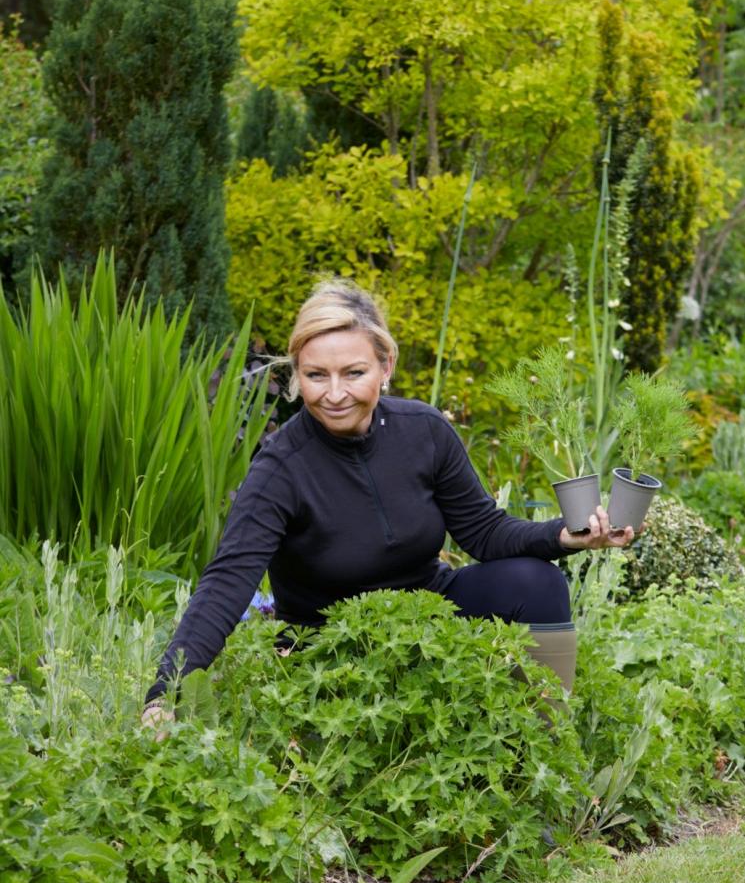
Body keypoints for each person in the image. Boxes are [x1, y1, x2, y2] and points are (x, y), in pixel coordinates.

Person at [142, 281, 634, 730]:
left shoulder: (424, 431)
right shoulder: (280, 468)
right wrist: (162, 695)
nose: (335, 394)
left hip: (427, 612)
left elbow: (484, 532)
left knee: (537, 581)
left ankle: (541, 750)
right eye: (316, 375)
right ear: (297, 375)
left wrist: (564, 537)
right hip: (330, 645)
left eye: (353, 373)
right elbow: (227, 582)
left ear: (385, 367)